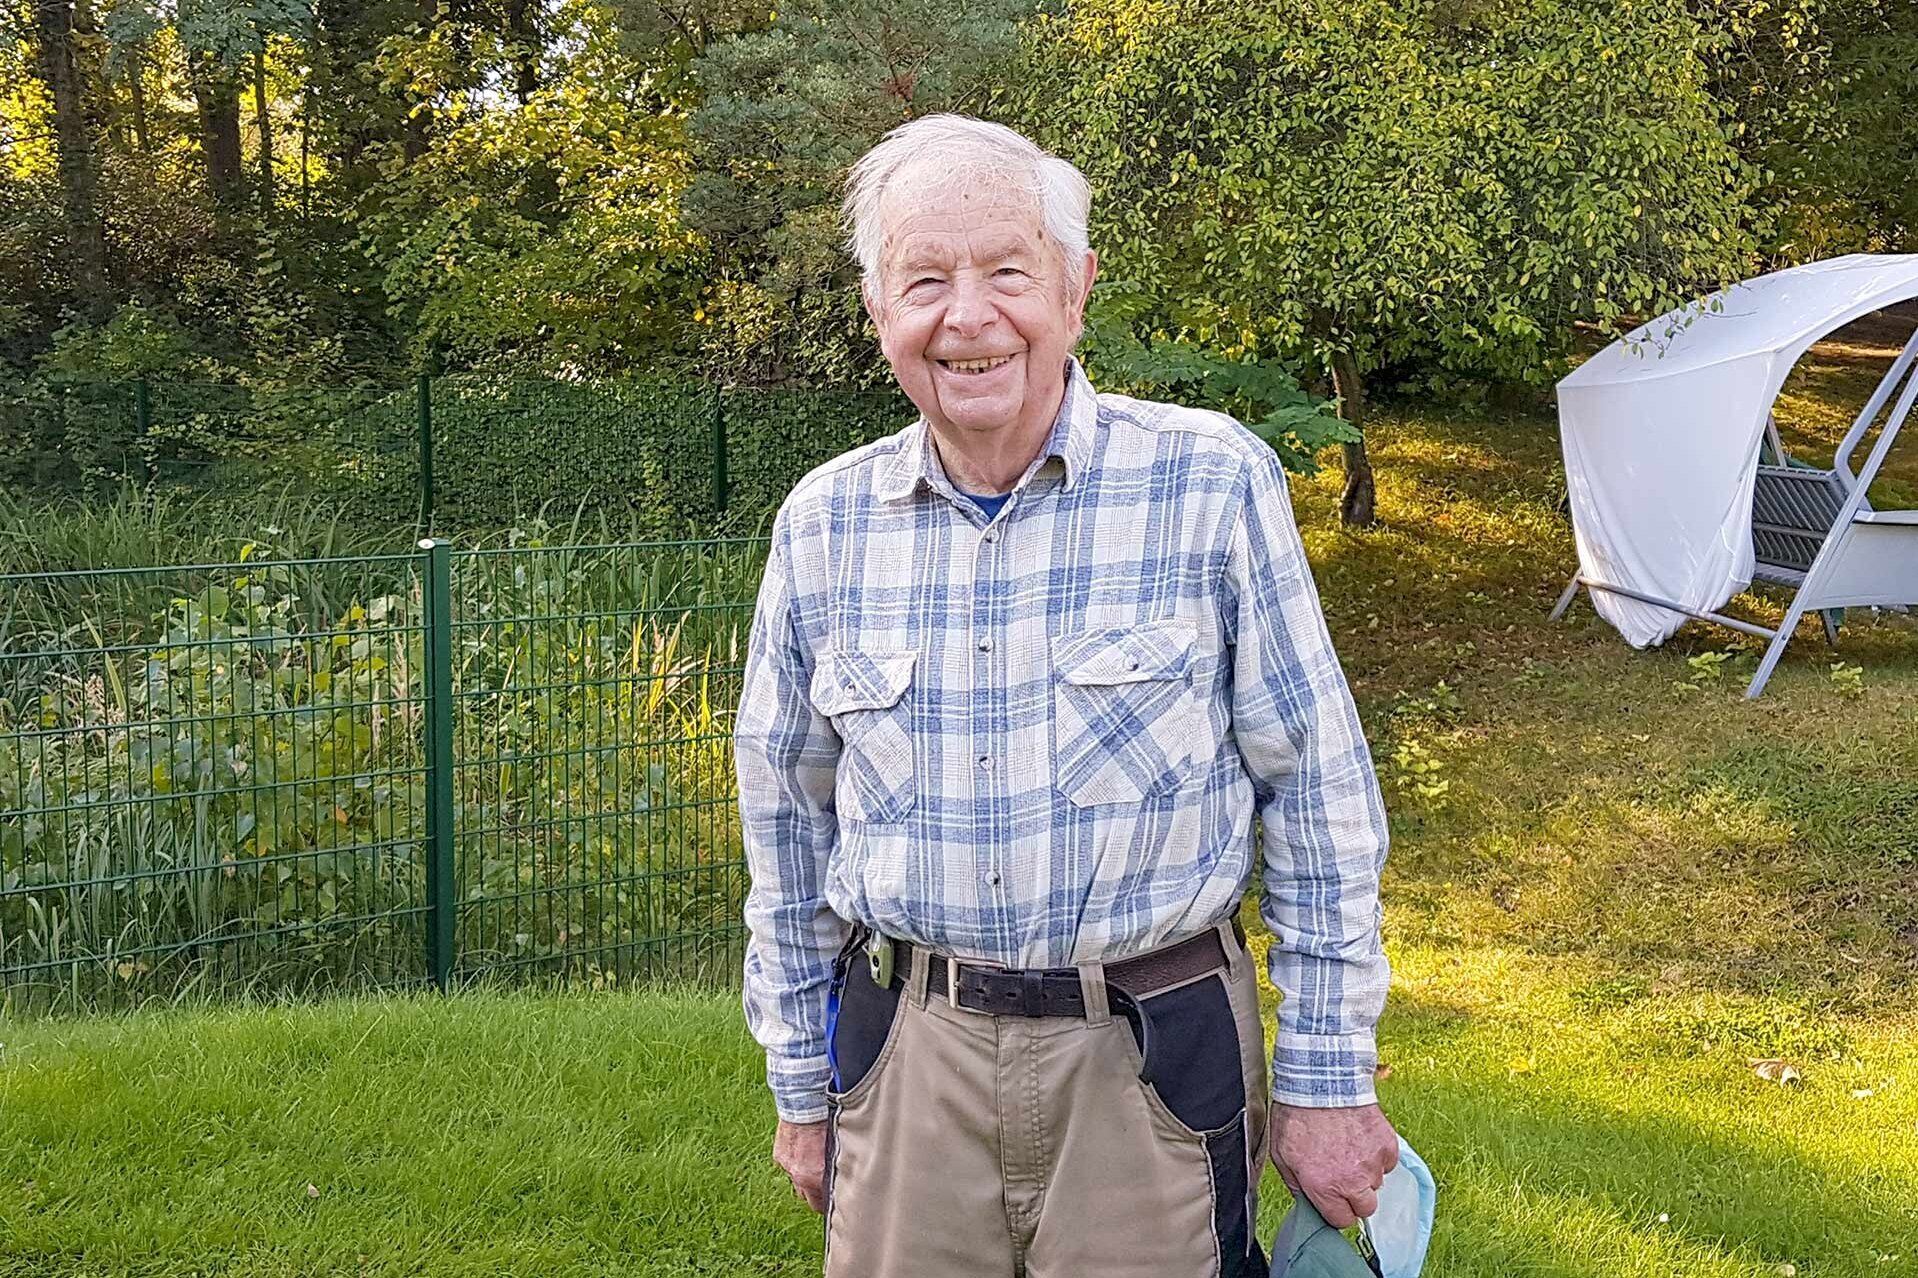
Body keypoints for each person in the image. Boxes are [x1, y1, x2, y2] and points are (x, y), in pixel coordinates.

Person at [734, 113, 1397, 1278]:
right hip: (908, 1055)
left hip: (1152, 1058)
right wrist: (803, 1081)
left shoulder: (1210, 482)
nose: (967, 316)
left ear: (1076, 290)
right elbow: (785, 826)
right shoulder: (822, 525)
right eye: (923, 280)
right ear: (878, 311)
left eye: (1006, 271)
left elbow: (1318, 794)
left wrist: (1328, 1080)